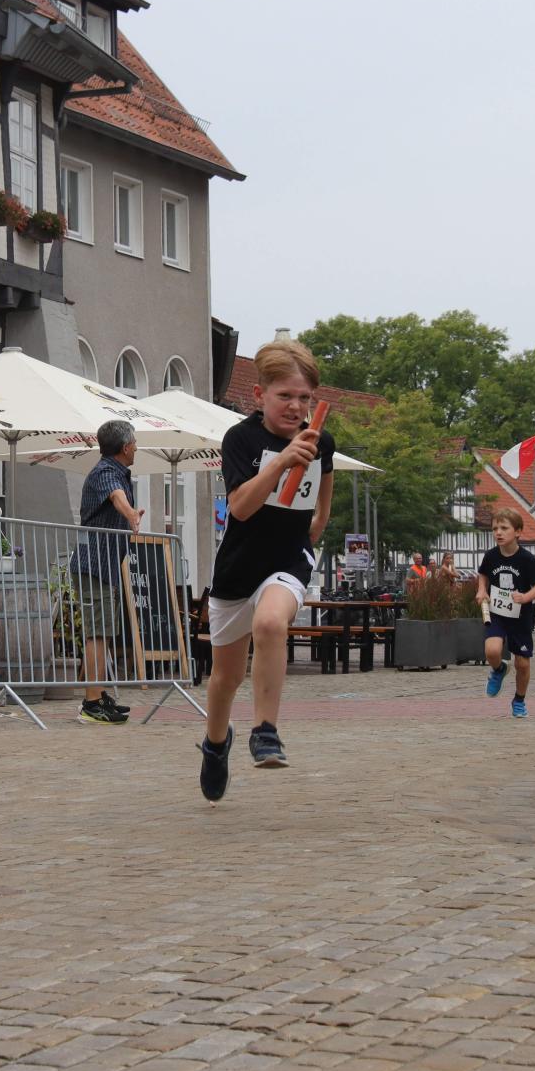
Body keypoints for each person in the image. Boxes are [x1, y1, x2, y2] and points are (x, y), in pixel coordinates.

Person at [198, 339, 336, 801]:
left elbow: (324, 490)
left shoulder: (322, 440)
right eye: (285, 397)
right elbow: (239, 508)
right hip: (238, 568)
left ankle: (266, 731)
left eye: (305, 398)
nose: (296, 407)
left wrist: (316, 525)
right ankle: (216, 745)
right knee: (225, 679)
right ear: (259, 396)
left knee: (272, 622)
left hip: (288, 559)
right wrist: (280, 462)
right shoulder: (242, 439)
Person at [71, 418, 142, 725]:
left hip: (104, 568)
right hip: (93, 567)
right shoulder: (106, 472)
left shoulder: (114, 471)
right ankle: (90, 703)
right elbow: (117, 497)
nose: (137, 446)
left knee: (103, 633)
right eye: (135, 442)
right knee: (96, 634)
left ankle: (98, 696)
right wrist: (130, 515)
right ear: (126, 447)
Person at [478, 508, 535, 717]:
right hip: (497, 612)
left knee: (522, 663)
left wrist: (525, 597)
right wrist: (481, 590)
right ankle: (498, 669)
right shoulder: (491, 556)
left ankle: (519, 699)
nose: (498, 532)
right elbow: (483, 575)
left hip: (521, 616)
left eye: (504, 528)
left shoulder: (526, 559)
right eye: (495, 528)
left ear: (518, 532)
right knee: (492, 651)